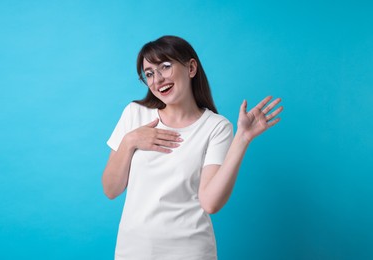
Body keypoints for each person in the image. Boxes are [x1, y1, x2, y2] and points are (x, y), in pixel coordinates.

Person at [102, 35, 283, 260]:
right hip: (133, 250)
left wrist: (242, 139)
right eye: (149, 74)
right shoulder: (134, 114)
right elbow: (111, 189)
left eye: (165, 67)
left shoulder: (216, 127)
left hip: (190, 252)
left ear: (191, 67)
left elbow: (210, 202)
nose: (157, 80)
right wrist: (130, 141)